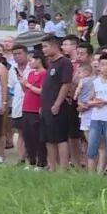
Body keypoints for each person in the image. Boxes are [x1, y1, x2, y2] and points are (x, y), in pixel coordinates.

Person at [40, 36, 74, 170]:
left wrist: (58, 103)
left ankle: (63, 167)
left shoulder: (64, 62)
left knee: (60, 138)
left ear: (55, 46)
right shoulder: (51, 63)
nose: (44, 50)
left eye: (46, 46)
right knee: (48, 138)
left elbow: (66, 84)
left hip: (58, 107)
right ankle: (52, 165)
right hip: (46, 105)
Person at [20, 51, 47, 168]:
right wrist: (23, 83)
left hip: (36, 109)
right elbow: (26, 91)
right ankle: (31, 160)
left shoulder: (44, 74)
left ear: (38, 60)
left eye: (31, 60)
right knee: (27, 136)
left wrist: (28, 85)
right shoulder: (31, 74)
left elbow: (42, 91)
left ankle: (41, 161)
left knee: (37, 136)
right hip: (26, 107)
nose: (29, 63)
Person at [8, 46, 30, 162]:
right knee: (20, 131)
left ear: (26, 54)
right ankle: (21, 158)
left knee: (30, 132)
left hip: (31, 102)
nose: (17, 56)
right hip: (17, 103)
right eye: (15, 54)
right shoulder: (12, 69)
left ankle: (31, 156)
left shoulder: (32, 67)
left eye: (19, 53)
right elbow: (10, 86)